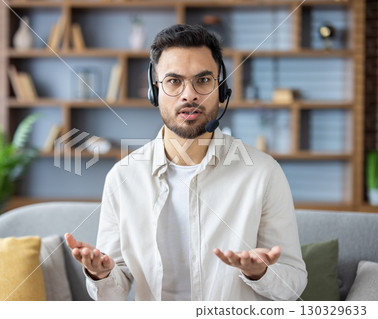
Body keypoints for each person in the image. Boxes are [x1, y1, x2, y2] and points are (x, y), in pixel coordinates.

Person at [65, 24, 307, 301]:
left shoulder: (263, 173)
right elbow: (113, 292)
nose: (189, 94)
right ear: (154, 91)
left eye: (203, 80)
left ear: (221, 88)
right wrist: (102, 274)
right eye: (174, 81)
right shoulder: (123, 176)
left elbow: (294, 284)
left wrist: (260, 273)